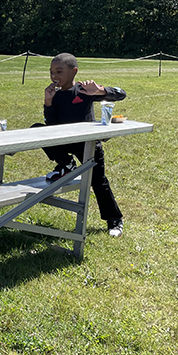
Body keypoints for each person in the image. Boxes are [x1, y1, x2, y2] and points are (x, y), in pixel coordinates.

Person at [33, 53, 127, 238]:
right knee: (36, 129)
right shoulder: (56, 95)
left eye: (59, 71)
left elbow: (121, 93)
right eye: (51, 72)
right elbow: (51, 126)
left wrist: (100, 91)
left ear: (74, 72)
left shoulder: (85, 91)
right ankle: (66, 164)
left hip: (87, 144)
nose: (54, 76)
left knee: (98, 181)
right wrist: (48, 102)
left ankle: (114, 219)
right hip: (63, 141)